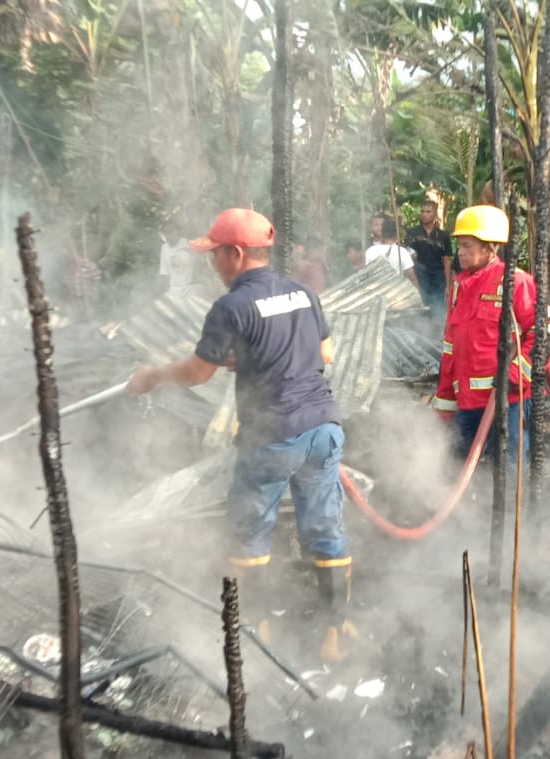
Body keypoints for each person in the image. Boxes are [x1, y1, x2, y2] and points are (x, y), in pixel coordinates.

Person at [126, 208, 354, 662]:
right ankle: (337, 633)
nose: (212, 264)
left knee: (249, 534)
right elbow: (324, 352)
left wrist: (152, 376)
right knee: (326, 527)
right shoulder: (302, 292)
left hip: (272, 437)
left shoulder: (230, 306)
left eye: (215, 255)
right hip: (323, 429)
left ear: (235, 253)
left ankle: (258, 633)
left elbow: (194, 374)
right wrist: (252, 358)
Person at [432, 205, 550, 462]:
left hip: (511, 398)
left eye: (468, 246)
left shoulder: (515, 282)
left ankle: (512, 504)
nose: (461, 252)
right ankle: (462, 503)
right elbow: (450, 349)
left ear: (490, 248)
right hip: (470, 401)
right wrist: (445, 403)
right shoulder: (459, 287)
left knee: (509, 462)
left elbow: (547, 333)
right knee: (453, 459)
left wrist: (515, 375)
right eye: (460, 245)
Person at [405, 200, 454, 325]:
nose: (424, 214)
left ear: (434, 214)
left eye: (428, 211)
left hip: (438, 277)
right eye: (422, 211)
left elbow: (447, 260)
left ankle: (437, 335)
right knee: (421, 307)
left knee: (438, 307)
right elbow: (406, 256)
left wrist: (448, 285)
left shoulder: (443, 235)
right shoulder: (412, 233)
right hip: (419, 276)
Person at [364, 214, 416, 284]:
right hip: (396, 290)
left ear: (383, 232)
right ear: (396, 235)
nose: (379, 227)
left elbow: (367, 273)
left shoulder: (370, 251)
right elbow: (412, 277)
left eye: (381, 225)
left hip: (376, 288)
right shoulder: (401, 252)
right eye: (376, 225)